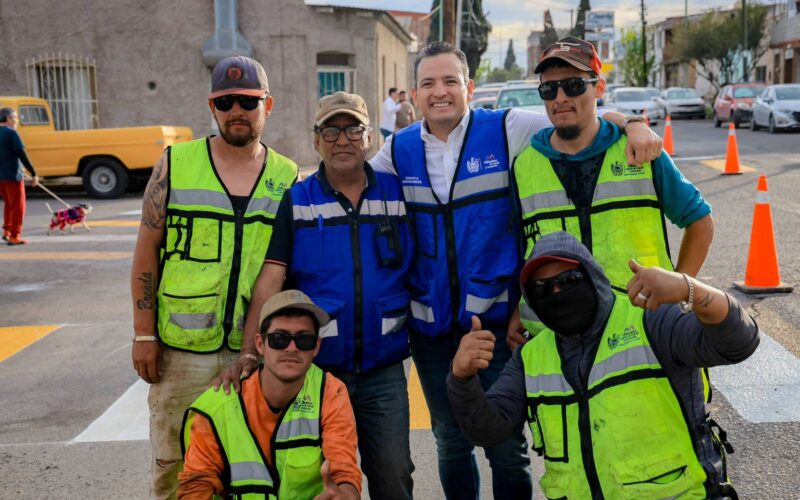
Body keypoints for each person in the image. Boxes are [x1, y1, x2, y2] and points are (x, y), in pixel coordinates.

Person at [368, 41, 662, 499]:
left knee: (506, 446)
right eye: (428, 83)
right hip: (431, 331)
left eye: (450, 81)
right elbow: (349, 179)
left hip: (495, 324)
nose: (439, 91)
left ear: (469, 88)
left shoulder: (506, 128)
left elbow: (582, 116)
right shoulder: (397, 149)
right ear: (415, 93)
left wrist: (635, 124)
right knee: (450, 442)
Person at [448, 231, 759, 499]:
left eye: (568, 280)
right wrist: (462, 379)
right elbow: (488, 430)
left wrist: (693, 290)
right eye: (541, 288)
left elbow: (740, 342)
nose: (556, 293)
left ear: (593, 277)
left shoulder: (649, 321)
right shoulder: (530, 357)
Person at [215, 92, 415, 499]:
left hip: (384, 371)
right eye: (331, 130)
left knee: (394, 473)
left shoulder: (397, 194)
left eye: (353, 129)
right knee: (320, 480)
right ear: (316, 140)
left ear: (369, 137)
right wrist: (250, 353)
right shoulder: (297, 200)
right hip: (318, 372)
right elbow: (271, 279)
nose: (342, 140)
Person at [130, 55, 299, 499]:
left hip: (254, 353)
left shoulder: (286, 176)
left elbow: (284, 271)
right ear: (212, 106)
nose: (236, 110)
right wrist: (144, 334)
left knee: (247, 471)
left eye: (247, 101)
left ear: (267, 105)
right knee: (176, 469)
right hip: (180, 356)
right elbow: (146, 252)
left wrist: (262, 351)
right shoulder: (175, 163)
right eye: (225, 102)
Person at [509, 37, 715, 343]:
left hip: (642, 331)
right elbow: (521, 252)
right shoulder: (524, 165)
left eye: (574, 85)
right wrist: (519, 309)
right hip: (557, 337)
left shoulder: (640, 151)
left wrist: (678, 292)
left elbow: (700, 222)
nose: (560, 97)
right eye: (549, 89)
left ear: (599, 88)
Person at [179, 290, 361, 499]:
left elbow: (344, 470)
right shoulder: (216, 406)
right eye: (279, 338)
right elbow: (196, 485)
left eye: (304, 339)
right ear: (260, 344)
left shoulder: (330, 392)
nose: (291, 348)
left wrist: (346, 493)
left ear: (316, 346)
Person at [0, 107, 39, 245]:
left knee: (9, 204)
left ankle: (7, 231)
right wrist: (33, 173)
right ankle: (14, 236)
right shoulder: (11, 133)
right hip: (12, 176)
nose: (17, 121)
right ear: (9, 118)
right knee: (18, 206)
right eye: (16, 118)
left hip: (1, 177)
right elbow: (22, 153)